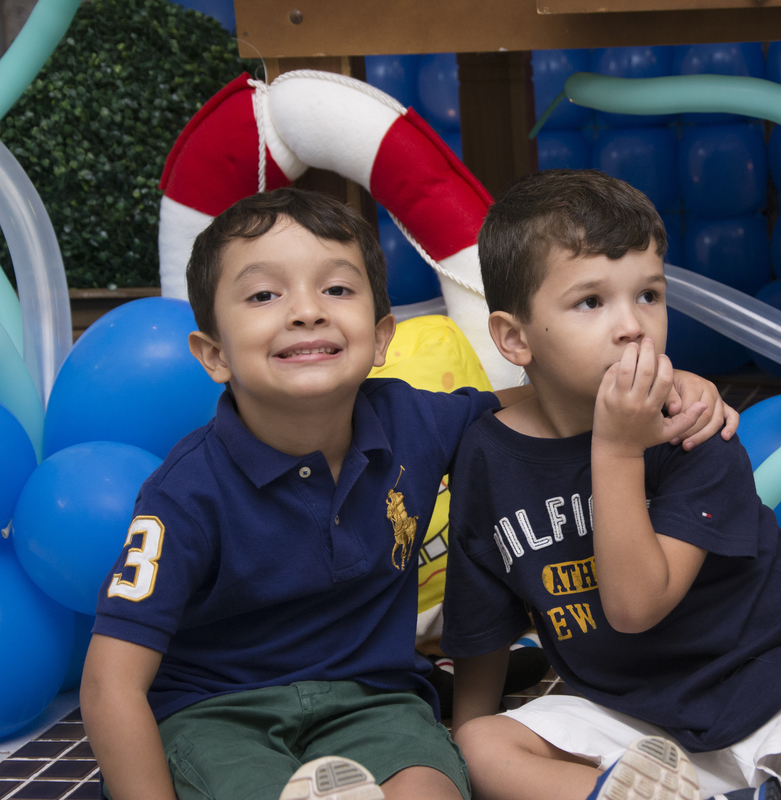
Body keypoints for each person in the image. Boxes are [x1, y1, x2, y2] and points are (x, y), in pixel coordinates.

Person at [79, 187, 735, 800]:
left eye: (337, 288)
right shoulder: (185, 493)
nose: (307, 310)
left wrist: (670, 388)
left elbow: (542, 401)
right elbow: (111, 685)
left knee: (431, 790)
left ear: (381, 337)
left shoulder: (410, 421)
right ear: (213, 354)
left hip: (374, 703)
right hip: (218, 713)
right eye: (264, 295)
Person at [441, 170, 781, 800]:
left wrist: (617, 447)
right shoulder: (487, 454)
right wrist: (465, 740)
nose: (632, 326)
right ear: (515, 338)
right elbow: (481, 620)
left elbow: (636, 605)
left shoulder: (695, 428)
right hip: (630, 707)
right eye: (591, 302)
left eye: (648, 295)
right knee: (484, 747)